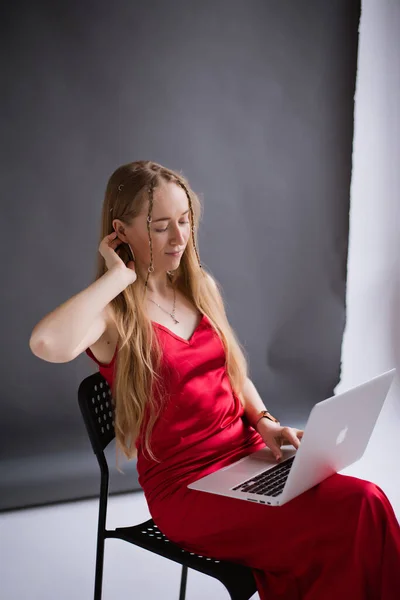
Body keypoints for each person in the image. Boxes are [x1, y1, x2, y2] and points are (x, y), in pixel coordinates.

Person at [30, 160, 400, 599]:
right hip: (187, 491)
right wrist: (116, 277)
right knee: (342, 525)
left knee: (367, 501)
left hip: (247, 460)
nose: (180, 237)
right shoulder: (114, 316)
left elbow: (231, 373)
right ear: (120, 231)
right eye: (161, 226)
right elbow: (47, 344)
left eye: (185, 221)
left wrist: (265, 423)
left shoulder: (196, 284)